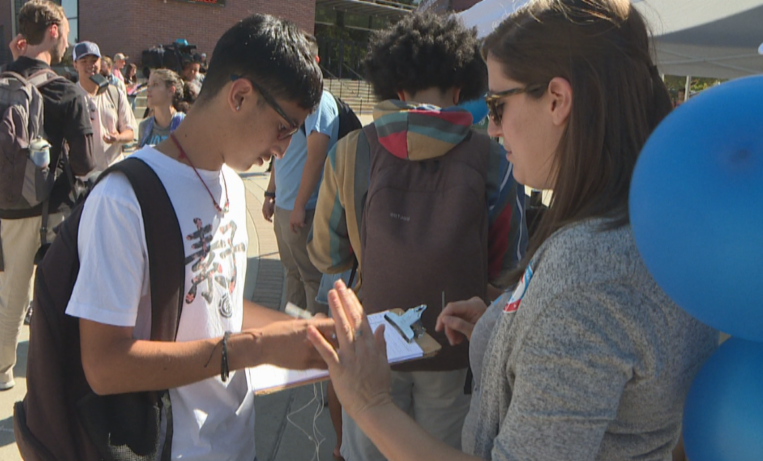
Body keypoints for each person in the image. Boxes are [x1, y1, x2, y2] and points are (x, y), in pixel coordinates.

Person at [307, 2, 720, 460]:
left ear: (557, 100)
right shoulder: (642, 222)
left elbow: (575, 317)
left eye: (498, 105)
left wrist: (369, 404)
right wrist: (503, 325)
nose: (494, 128)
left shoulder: (586, 283)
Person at [66, 14, 332, 460]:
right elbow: (104, 365)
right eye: (284, 127)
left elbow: (214, 303)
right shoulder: (123, 199)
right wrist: (258, 348)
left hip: (234, 440)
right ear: (240, 95)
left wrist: (305, 332)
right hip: (170, 446)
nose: (285, 148)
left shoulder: (228, 180)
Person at [307, 13, 526, 461]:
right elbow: (508, 266)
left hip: (374, 342)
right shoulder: (493, 157)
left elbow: (327, 255)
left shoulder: (352, 151)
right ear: (462, 90)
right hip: (455, 344)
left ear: (397, 91)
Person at [0, 0, 95, 390]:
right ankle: (57, 374)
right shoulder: (66, 89)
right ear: (55, 31)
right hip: (57, 208)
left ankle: (0, 370)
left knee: (11, 293)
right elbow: (84, 164)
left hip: (9, 206)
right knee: (60, 291)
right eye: (66, 33)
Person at [263, 36, 339, 317]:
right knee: (291, 274)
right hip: (284, 206)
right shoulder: (291, 103)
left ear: (315, 62)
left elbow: (316, 158)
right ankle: (289, 333)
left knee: (311, 279)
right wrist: (270, 194)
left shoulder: (320, 103)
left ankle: (313, 346)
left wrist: (298, 206)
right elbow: (279, 154)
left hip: (304, 210)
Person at [73, 42, 136, 172]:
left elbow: (131, 132)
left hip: (113, 174)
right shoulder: (70, 96)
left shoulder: (115, 93)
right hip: (82, 179)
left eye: (94, 60)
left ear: (100, 62)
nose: (90, 65)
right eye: (84, 61)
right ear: (75, 65)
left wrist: (118, 138)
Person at [138, 68, 186, 147]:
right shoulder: (144, 126)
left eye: (155, 84)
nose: (148, 90)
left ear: (171, 90)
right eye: (148, 85)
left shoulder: (184, 124)